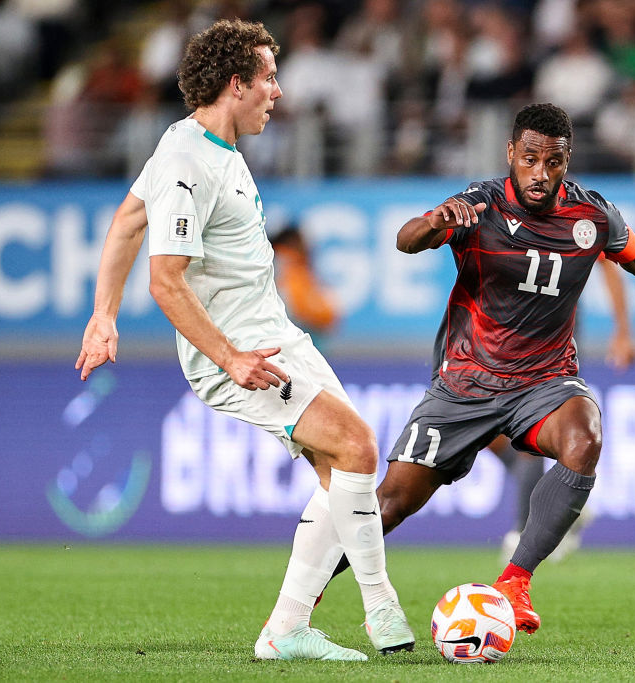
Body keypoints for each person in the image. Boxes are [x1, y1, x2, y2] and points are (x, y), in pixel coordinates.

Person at [74, 19, 413, 661]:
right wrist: (229, 358)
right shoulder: (185, 160)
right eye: (269, 79)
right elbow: (166, 282)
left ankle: (285, 630)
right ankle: (381, 608)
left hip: (273, 333)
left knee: (341, 473)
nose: (278, 93)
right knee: (359, 446)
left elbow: (125, 223)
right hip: (239, 351)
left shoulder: (201, 145)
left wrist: (102, 316)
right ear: (237, 84)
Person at [325, 102, 635, 634]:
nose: (540, 174)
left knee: (585, 437)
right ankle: (305, 594)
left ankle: (514, 583)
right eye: (530, 159)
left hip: (544, 381)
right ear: (511, 154)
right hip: (466, 383)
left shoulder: (591, 215)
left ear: (566, 161)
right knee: (390, 504)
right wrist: (437, 221)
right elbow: (406, 240)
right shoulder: (478, 205)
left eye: (553, 162)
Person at [496, 256, 635, 564]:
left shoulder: (567, 215)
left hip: (552, 335)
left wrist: (623, 330)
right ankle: (563, 503)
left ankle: (521, 536)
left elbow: (608, 262)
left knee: (528, 426)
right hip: (499, 331)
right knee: (487, 433)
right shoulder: (498, 211)